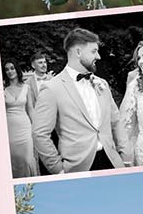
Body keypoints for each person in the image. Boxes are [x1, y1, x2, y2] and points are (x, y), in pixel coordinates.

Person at [30, 28, 126, 174]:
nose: (99, 56)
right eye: (94, 51)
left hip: (112, 162)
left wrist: (125, 157)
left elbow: (116, 121)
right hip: (78, 168)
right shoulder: (52, 88)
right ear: (78, 52)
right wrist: (58, 169)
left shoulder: (102, 84)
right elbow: (40, 134)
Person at [3, 61, 39, 178]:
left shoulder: (26, 88)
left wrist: (35, 127)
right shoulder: (2, 90)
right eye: (7, 69)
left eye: (12, 68)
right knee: (14, 159)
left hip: (25, 127)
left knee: (28, 159)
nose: (10, 71)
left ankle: (32, 185)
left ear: (17, 70)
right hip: (9, 129)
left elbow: (30, 109)